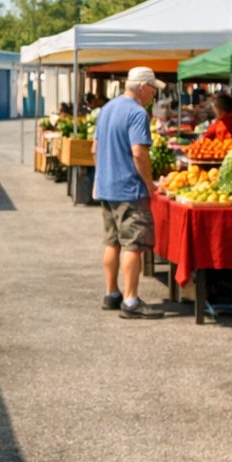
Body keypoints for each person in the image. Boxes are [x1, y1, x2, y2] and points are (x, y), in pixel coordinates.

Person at [93, 66, 168, 319]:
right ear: (143, 87)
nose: (153, 96)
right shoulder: (137, 113)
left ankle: (111, 293)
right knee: (133, 245)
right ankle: (131, 300)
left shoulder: (107, 109)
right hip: (129, 189)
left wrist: (106, 173)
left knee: (112, 242)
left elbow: (95, 148)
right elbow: (139, 152)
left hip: (107, 187)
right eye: (153, 90)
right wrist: (149, 183)